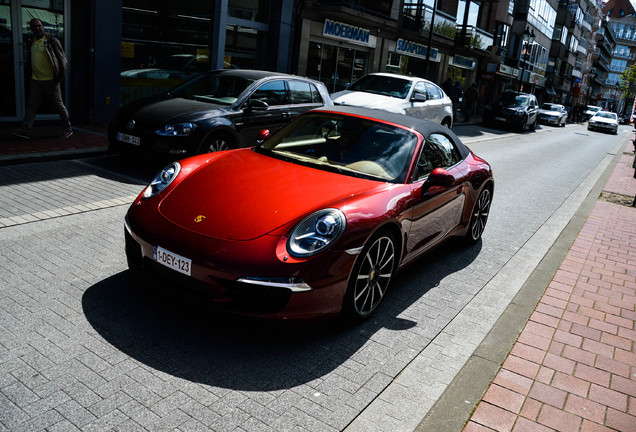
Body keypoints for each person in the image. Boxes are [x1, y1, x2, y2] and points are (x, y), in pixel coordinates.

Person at [11, 19, 72, 140]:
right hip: (36, 80)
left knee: (59, 106)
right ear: (32, 29)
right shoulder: (32, 41)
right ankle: (26, 130)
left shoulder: (51, 40)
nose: (37, 28)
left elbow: (63, 60)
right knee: (32, 106)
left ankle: (67, 129)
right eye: (34, 26)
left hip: (50, 80)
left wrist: (59, 76)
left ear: (43, 27)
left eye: (39, 26)